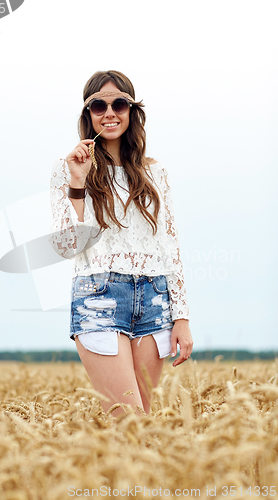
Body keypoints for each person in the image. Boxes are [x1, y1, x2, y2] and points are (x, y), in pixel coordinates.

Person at [50, 70, 193, 417]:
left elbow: (169, 246)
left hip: (155, 300)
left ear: (132, 111)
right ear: (88, 115)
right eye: (98, 105)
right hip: (99, 298)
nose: (109, 112)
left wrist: (182, 317)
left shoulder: (154, 173)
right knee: (127, 421)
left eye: (119, 103)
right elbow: (67, 245)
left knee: (143, 428)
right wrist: (78, 183)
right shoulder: (67, 169)